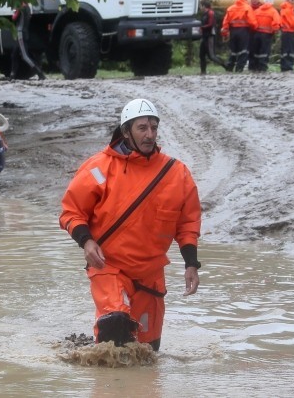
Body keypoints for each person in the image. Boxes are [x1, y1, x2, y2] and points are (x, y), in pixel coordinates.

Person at [59, 99, 201, 352]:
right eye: (142, 128)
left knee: (147, 353)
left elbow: (188, 222)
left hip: (150, 275)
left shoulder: (177, 173)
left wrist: (191, 263)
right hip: (109, 267)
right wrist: (86, 241)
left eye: (154, 128)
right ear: (126, 132)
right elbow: (71, 212)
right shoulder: (98, 168)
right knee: (116, 325)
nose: (149, 135)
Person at [220, 0, 257, 72]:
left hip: (233, 31)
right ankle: (239, 68)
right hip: (244, 31)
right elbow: (252, 22)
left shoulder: (230, 8)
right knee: (243, 50)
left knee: (233, 50)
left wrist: (225, 33)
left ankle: (230, 67)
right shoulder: (247, 8)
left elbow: (225, 22)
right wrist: (254, 29)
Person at [249, 0, 281, 72]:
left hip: (256, 33)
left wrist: (255, 28)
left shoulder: (257, 10)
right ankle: (262, 67)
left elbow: (252, 21)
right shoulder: (273, 11)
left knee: (256, 50)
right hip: (267, 34)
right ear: (272, 2)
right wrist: (275, 30)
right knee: (264, 51)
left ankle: (254, 67)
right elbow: (277, 23)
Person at [198, 0, 225, 74]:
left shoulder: (210, 13)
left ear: (204, 6)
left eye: (201, 6)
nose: (200, 7)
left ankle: (226, 66)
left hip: (210, 36)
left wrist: (201, 28)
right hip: (204, 36)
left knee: (212, 56)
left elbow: (210, 24)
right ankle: (203, 71)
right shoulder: (204, 14)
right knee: (201, 54)